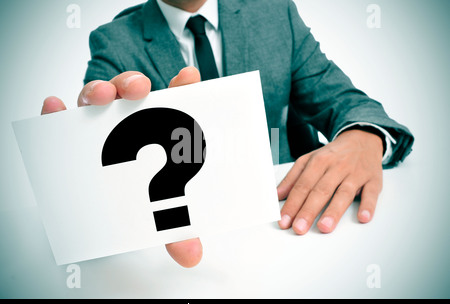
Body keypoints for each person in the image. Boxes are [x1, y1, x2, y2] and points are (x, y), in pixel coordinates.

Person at [41, 0, 414, 268]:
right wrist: (87, 147)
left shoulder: (274, 12)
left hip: (291, 225)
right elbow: (100, 117)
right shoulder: (115, 40)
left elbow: (341, 98)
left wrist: (364, 136)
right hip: (198, 244)